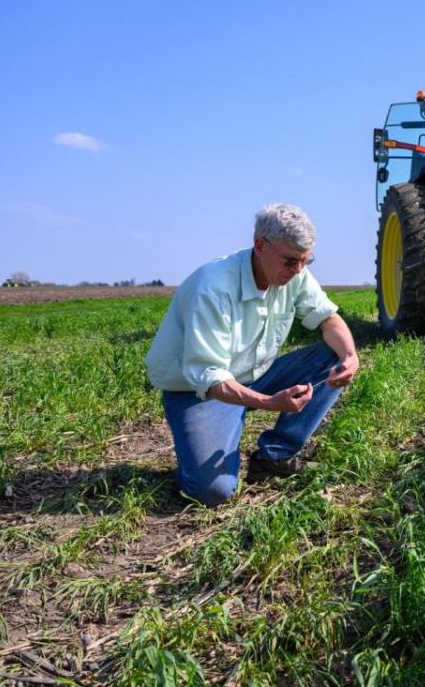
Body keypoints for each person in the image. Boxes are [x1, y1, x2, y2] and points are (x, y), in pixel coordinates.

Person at [145, 203, 359, 506]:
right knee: (213, 492)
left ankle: (276, 455)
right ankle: (212, 438)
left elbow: (328, 319)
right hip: (202, 392)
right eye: (290, 261)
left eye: (305, 261)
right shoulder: (213, 287)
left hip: (253, 375)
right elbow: (211, 377)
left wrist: (350, 356)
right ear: (260, 245)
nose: (298, 270)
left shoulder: (294, 274)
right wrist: (269, 403)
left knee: (335, 355)